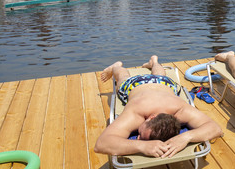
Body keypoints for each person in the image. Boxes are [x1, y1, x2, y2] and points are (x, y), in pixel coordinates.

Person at [94, 56, 222, 158]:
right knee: (122, 77)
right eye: (141, 135)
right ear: (151, 117)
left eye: (140, 137)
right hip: (135, 86)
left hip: (163, 84)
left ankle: (154, 62)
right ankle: (116, 67)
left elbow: (216, 129)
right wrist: (141, 146)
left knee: (160, 75)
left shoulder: (180, 110)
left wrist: (185, 137)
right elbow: (101, 144)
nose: (138, 137)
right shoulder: (136, 114)